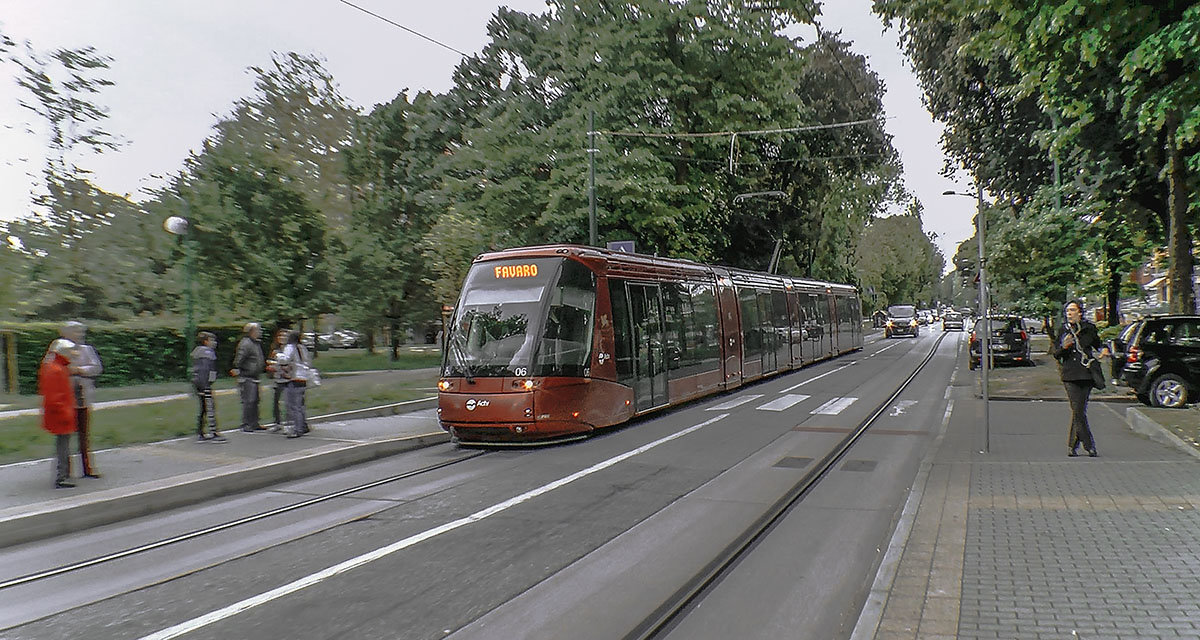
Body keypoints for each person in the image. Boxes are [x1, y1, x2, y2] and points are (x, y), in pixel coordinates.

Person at [1050, 300, 1110, 457]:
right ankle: (1089, 445)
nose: (1069, 313)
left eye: (1072, 310)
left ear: (1080, 312)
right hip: (1070, 375)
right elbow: (1057, 354)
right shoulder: (1063, 330)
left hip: (1086, 374)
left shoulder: (1089, 328)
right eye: (1067, 311)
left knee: (1079, 411)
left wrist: (1104, 349)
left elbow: (1098, 344)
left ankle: (1072, 446)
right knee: (1077, 410)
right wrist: (1064, 347)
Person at [60, 321, 102, 479]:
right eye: (76, 332)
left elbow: (96, 367)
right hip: (65, 399)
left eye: (81, 332)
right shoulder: (60, 351)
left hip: (83, 397)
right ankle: (66, 470)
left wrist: (79, 370)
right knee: (65, 436)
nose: (79, 335)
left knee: (84, 435)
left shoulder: (87, 350)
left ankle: (87, 467)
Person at [39, 339, 78, 488]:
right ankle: (62, 477)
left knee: (63, 445)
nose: (72, 354)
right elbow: (54, 396)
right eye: (70, 351)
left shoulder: (55, 367)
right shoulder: (56, 369)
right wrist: (65, 412)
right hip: (61, 414)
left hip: (61, 412)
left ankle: (64, 475)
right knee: (63, 446)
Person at [190, 331, 226, 443]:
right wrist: (207, 384)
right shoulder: (207, 353)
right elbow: (206, 370)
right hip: (204, 384)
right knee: (210, 407)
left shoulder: (197, 352)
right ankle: (213, 431)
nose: (214, 343)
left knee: (204, 408)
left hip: (198, 383)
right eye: (212, 340)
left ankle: (200, 432)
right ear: (206, 341)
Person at [230, 322, 265, 432]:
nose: (260, 332)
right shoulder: (246, 343)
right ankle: (246, 424)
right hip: (247, 376)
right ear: (252, 331)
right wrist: (239, 369)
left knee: (255, 401)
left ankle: (254, 422)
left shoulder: (256, 343)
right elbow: (239, 359)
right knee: (249, 401)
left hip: (254, 375)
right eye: (258, 330)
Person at [279, 330, 310, 438]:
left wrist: (278, 355)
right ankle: (303, 425)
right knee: (300, 404)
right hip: (303, 377)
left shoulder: (290, 347)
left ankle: (297, 429)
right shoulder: (302, 348)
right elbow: (307, 362)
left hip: (294, 377)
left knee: (293, 405)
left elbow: (284, 359)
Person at [265, 328, 289, 430]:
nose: (281, 338)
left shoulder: (290, 349)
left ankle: (289, 423)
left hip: (288, 379)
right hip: (277, 379)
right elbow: (270, 361)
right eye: (280, 336)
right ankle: (277, 423)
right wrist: (271, 365)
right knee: (276, 402)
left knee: (288, 402)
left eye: (284, 336)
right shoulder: (275, 350)